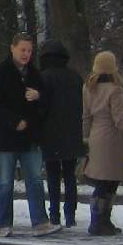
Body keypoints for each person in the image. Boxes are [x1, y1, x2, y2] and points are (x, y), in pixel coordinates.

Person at [0, 33, 60, 237]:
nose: (26, 54)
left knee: (35, 179)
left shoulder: (36, 74)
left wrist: (39, 96)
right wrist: (12, 121)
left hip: (30, 136)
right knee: (5, 181)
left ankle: (40, 221)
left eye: (29, 50)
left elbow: (47, 105)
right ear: (13, 48)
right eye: (23, 50)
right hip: (7, 136)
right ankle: (4, 223)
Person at [81, 51, 123, 236]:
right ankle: (101, 222)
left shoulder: (88, 87)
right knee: (109, 183)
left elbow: (85, 117)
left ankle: (98, 221)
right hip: (112, 140)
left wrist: (86, 137)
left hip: (96, 138)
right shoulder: (115, 89)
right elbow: (120, 120)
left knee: (102, 182)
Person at [38, 40, 84, 227]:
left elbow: (40, 107)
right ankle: (70, 214)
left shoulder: (42, 77)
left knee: (53, 176)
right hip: (72, 133)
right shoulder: (75, 77)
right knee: (70, 176)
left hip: (50, 133)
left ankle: (54, 213)